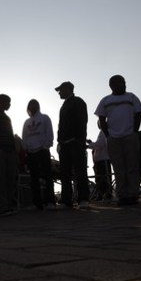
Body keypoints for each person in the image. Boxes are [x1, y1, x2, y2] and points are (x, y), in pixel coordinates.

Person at [96, 75, 141, 206]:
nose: (123, 85)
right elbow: (101, 118)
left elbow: (138, 113)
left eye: (123, 82)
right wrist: (108, 135)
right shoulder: (105, 100)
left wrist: (135, 131)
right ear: (112, 86)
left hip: (130, 136)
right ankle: (122, 195)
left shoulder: (132, 97)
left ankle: (133, 194)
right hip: (114, 139)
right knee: (118, 168)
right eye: (119, 83)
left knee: (132, 166)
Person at [55, 81, 90, 209]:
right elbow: (61, 125)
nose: (59, 92)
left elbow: (82, 122)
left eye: (61, 90)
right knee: (65, 174)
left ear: (68, 89)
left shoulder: (78, 102)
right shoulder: (64, 105)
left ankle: (83, 199)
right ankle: (66, 200)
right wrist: (59, 140)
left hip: (75, 143)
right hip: (64, 145)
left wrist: (78, 140)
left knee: (80, 172)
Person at [22, 99, 56, 210]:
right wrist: (26, 148)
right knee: (34, 178)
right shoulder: (26, 122)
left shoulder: (45, 118)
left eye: (34, 105)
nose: (32, 107)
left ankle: (50, 202)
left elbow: (49, 133)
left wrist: (46, 146)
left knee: (47, 176)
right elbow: (24, 137)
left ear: (38, 106)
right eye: (30, 105)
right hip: (31, 153)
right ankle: (37, 204)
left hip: (42, 151)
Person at [87, 120, 113, 201]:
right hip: (99, 160)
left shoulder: (104, 132)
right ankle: (101, 194)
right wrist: (91, 143)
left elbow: (100, 144)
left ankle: (107, 194)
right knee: (99, 179)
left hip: (103, 159)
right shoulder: (102, 132)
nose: (100, 124)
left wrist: (88, 146)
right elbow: (98, 144)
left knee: (104, 178)